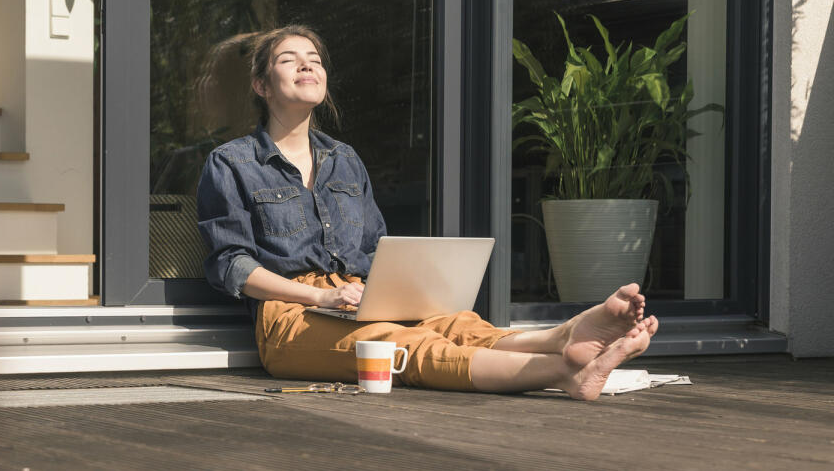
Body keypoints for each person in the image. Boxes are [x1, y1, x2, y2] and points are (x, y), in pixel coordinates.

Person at [196, 25, 659, 401]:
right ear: (261, 85)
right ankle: (562, 371)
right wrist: (320, 299)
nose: (307, 65)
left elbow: (375, 247)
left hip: (359, 298)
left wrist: (397, 290)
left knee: (457, 324)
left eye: (314, 59)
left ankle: (568, 334)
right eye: (289, 59)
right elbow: (231, 265)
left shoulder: (345, 159)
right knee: (402, 348)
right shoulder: (232, 163)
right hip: (290, 315)